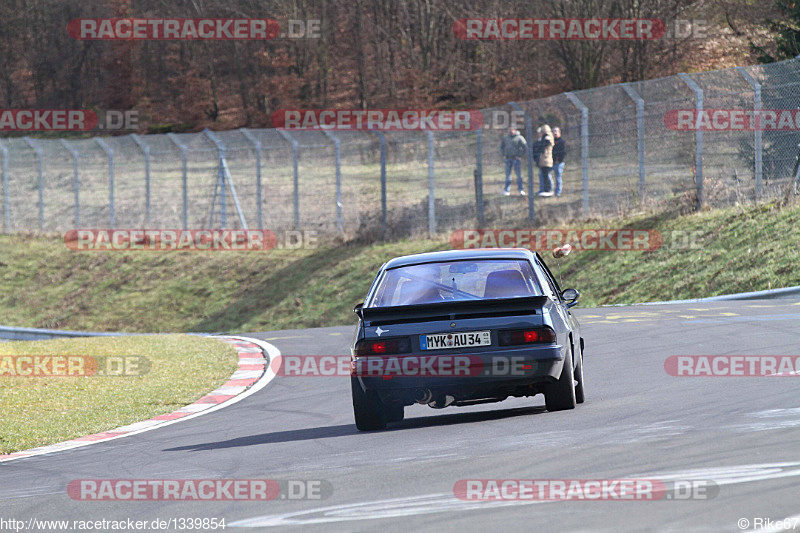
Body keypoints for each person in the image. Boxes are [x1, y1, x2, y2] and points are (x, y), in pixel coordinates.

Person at [499, 127, 527, 196]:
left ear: (515, 130)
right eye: (509, 130)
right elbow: (501, 147)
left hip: (516, 159)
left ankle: (521, 190)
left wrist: (520, 155)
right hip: (508, 159)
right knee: (508, 175)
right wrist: (503, 155)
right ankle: (506, 190)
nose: (510, 131)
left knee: (518, 175)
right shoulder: (505, 138)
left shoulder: (519, 138)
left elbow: (525, 147)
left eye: (512, 130)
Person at [536, 124, 555, 196]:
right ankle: (545, 189)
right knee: (544, 175)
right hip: (543, 159)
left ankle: (549, 189)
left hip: (546, 159)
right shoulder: (544, 138)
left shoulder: (547, 138)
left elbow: (544, 145)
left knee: (547, 175)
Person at [552, 127, 566, 197]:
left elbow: (563, 152)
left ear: (559, 133)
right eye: (553, 131)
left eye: (556, 131)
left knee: (558, 177)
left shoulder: (562, 142)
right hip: (552, 162)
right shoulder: (552, 142)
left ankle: (558, 192)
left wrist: (559, 160)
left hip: (559, 162)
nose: (555, 133)